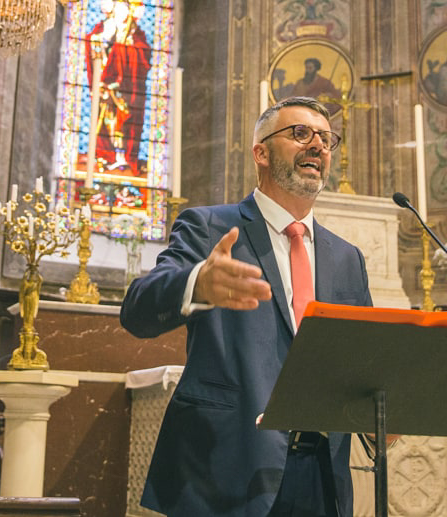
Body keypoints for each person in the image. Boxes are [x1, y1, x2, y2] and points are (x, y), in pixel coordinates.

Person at [120, 97, 373, 516]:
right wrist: (196, 282)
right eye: (300, 134)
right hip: (226, 470)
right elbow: (137, 309)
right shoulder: (210, 226)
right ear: (261, 152)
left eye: (327, 139)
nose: (317, 146)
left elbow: (362, 358)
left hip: (322, 478)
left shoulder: (348, 258)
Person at [86, 0, 152, 175]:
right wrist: (104, 41)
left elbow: (144, 56)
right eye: (117, 9)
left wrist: (125, 49)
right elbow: (93, 46)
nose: (121, 13)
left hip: (128, 90)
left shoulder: (136, 34)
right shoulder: (104, 28)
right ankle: (106, 157)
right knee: (107, 122)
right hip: (106, 87)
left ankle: (124, 158)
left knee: (124, 124)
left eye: (124, 9)